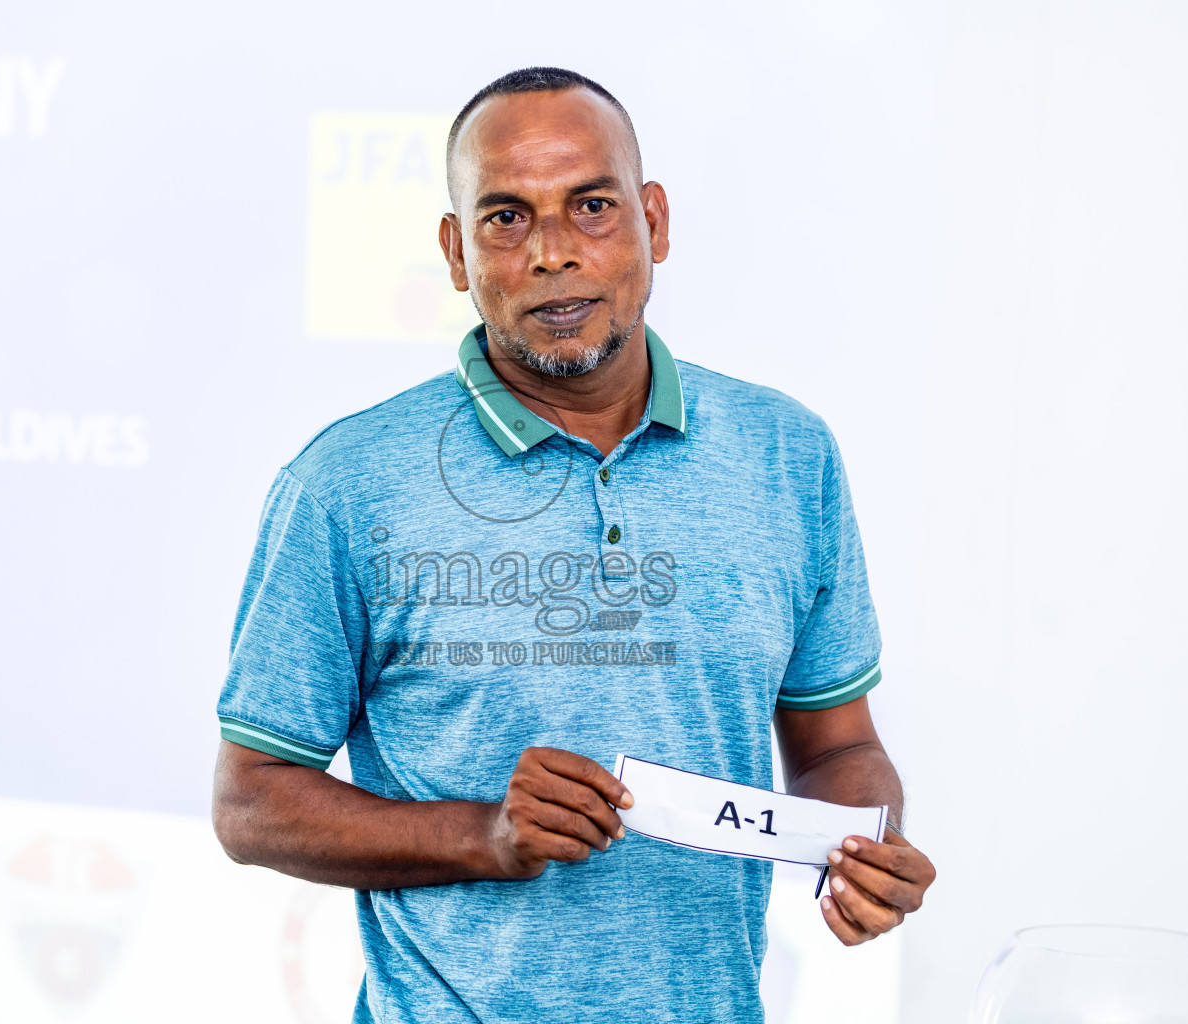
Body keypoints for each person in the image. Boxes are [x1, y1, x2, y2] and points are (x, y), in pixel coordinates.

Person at [212, 66, 935, 1023]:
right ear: (456, 252)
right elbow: (251, 801)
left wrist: (864, 842)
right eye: (506, 217)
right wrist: (487, 836)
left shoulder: (786, 455)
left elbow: (838, 741)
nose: (553, 251)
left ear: (655, 224)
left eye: (591, 206)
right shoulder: (346, 483)